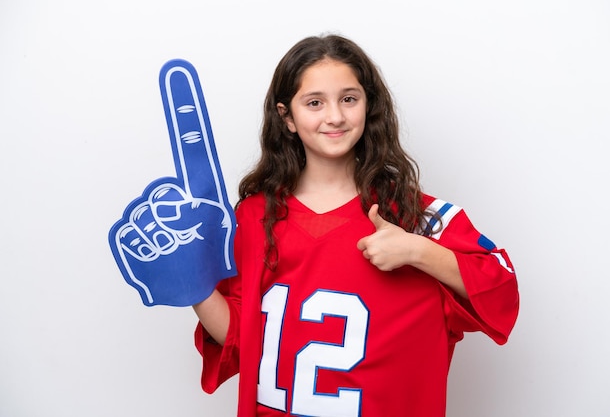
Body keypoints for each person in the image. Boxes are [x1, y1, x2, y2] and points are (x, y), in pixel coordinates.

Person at [191, 34, 519, 417]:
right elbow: (238, 339)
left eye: (349, 99)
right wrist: (190, 283)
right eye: (315, 103)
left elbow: (500, 285)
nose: (335, 116)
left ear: (369, 105)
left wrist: (419, 250)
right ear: (287, 117)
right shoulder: (251, 217)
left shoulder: (414, 214)